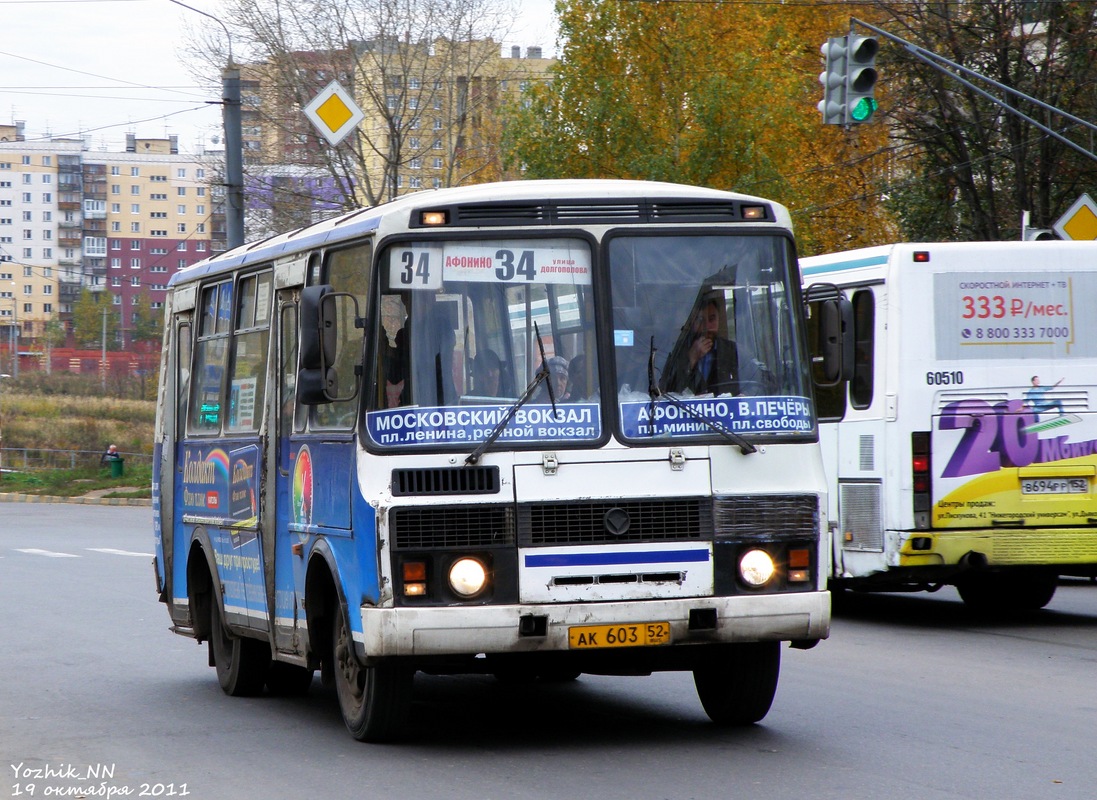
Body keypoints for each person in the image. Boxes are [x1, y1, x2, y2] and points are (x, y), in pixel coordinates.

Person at [662, 297, 738, 395]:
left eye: (712, 319)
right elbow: (667, 390)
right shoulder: (675, 349)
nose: (706, 327)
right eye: (700, 320)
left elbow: (751, 385)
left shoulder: (732, 351)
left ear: (719, 319)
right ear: (691, 322)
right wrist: (691, 359)